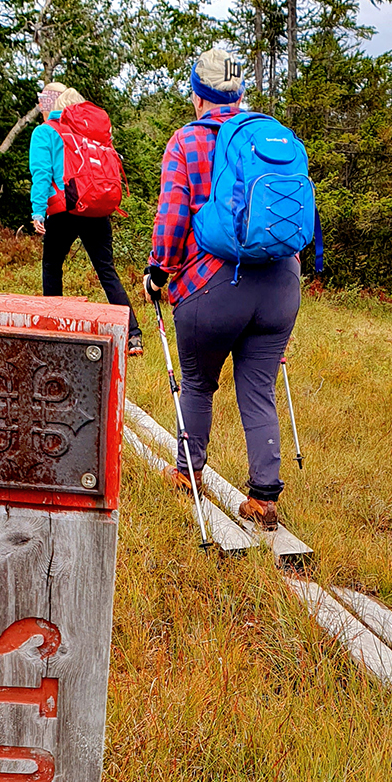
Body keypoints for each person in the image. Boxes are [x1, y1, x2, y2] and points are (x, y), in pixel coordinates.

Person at [143, 48, 301, 531]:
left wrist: (158, 270)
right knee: (258, 391)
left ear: (197, 95)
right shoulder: (268, 136)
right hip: (280, 282)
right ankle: (264, 499)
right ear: (238, 93)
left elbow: (173, 215)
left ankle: (188, 475)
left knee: (197, 382)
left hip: (212, 286)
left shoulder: (188, 141)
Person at [30, 82, 143, 355]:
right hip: (97, 208)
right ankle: (134, 335)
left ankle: (53, 332)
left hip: (65, 209)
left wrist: (37, 210)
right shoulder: (91, 134)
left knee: (52, 266)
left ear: (52, 103)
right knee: (107, 271)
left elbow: (42, 173)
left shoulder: (45, 132)